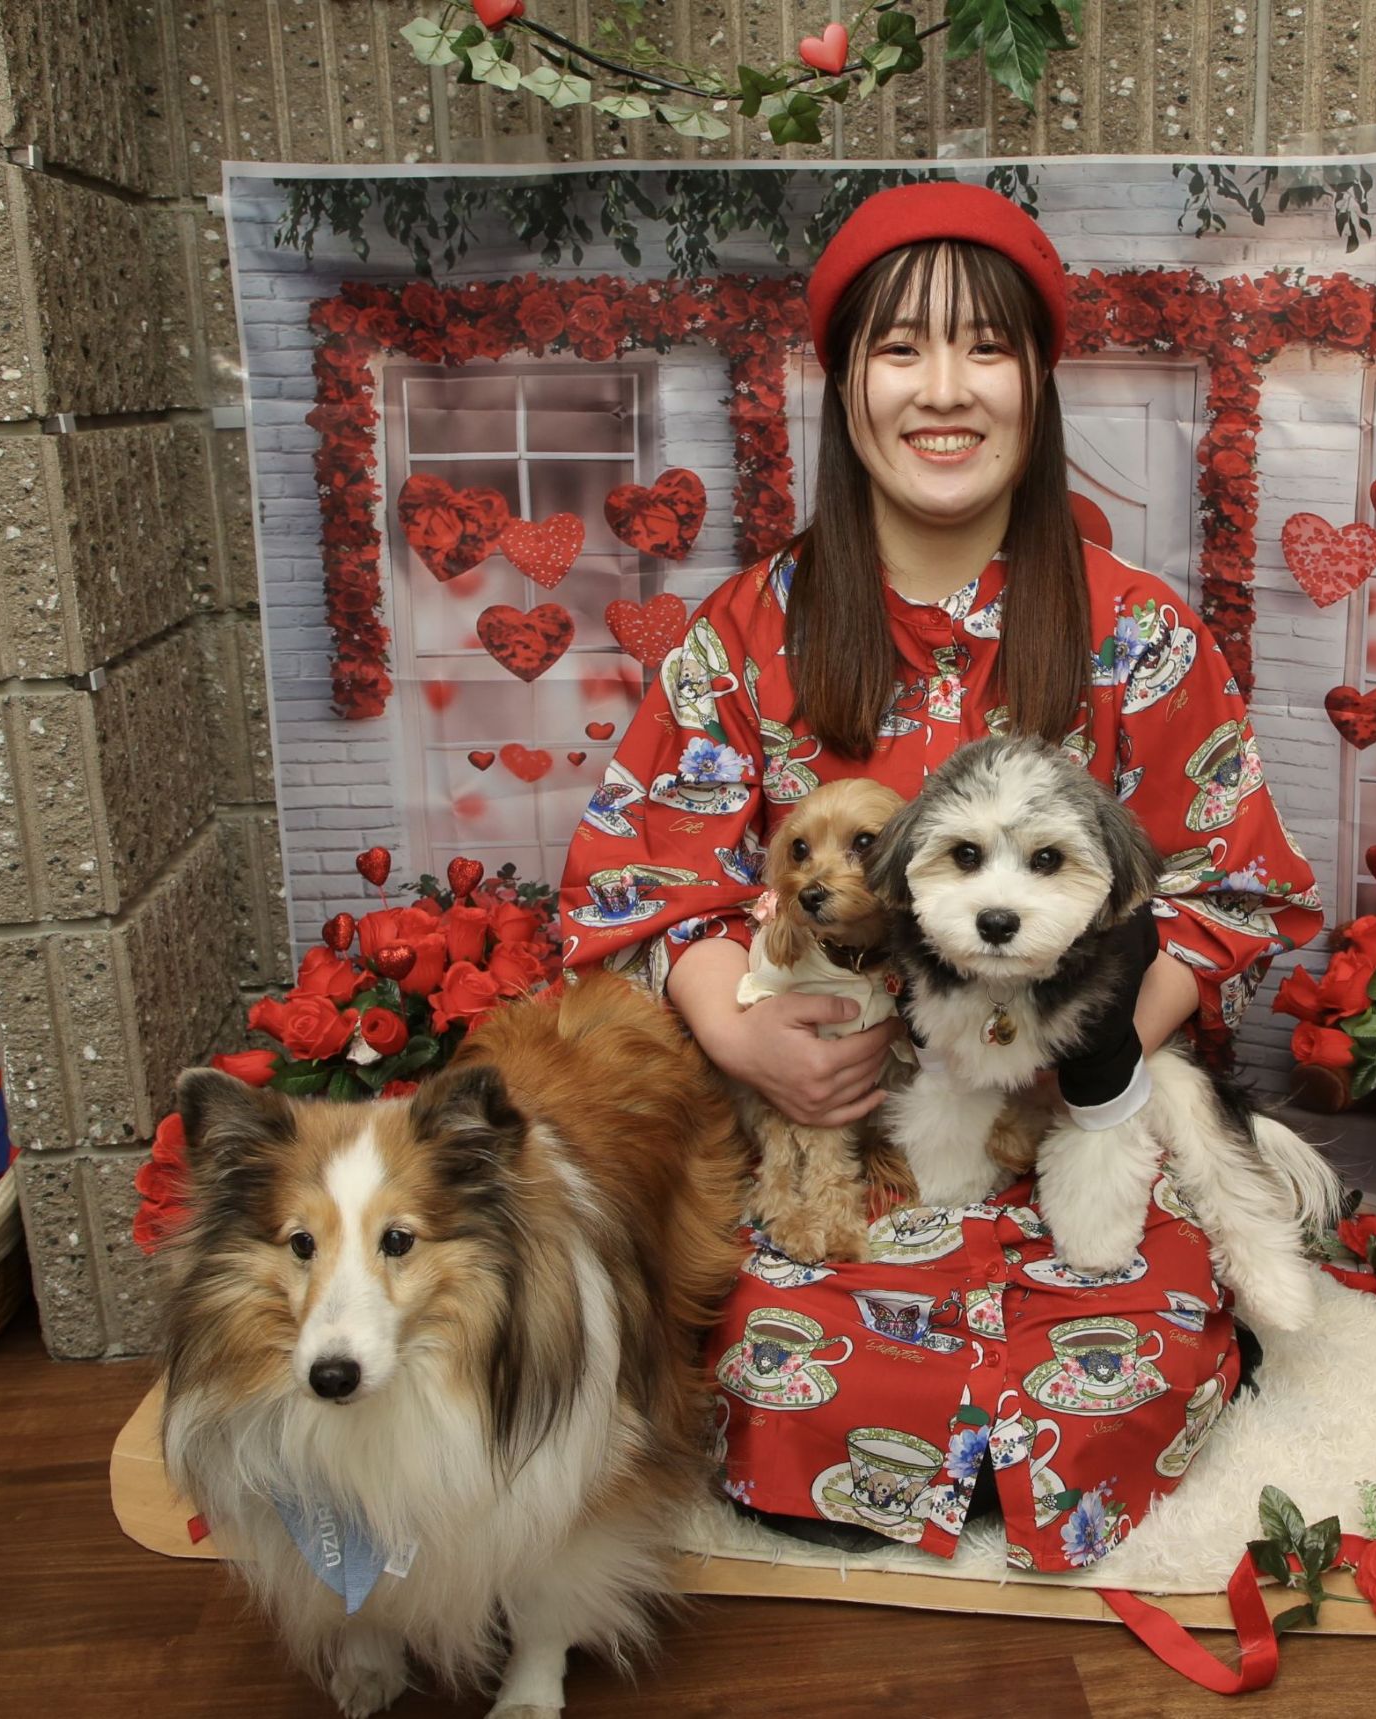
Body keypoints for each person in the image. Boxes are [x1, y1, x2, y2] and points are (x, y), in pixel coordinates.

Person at [558, 182, 1323, 1571]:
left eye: (985, 348)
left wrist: (1077, 1051)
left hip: (1069, 1128)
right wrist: (744, 1035)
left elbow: (1229, 889)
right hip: (842, 1145)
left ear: (1037, 382)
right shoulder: (748, 629)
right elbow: (644, 873)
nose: (945, 390)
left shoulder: (1141, 632)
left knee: (1120, 1374)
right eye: (902, 350)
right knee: (782, 1372)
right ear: (845, 384)